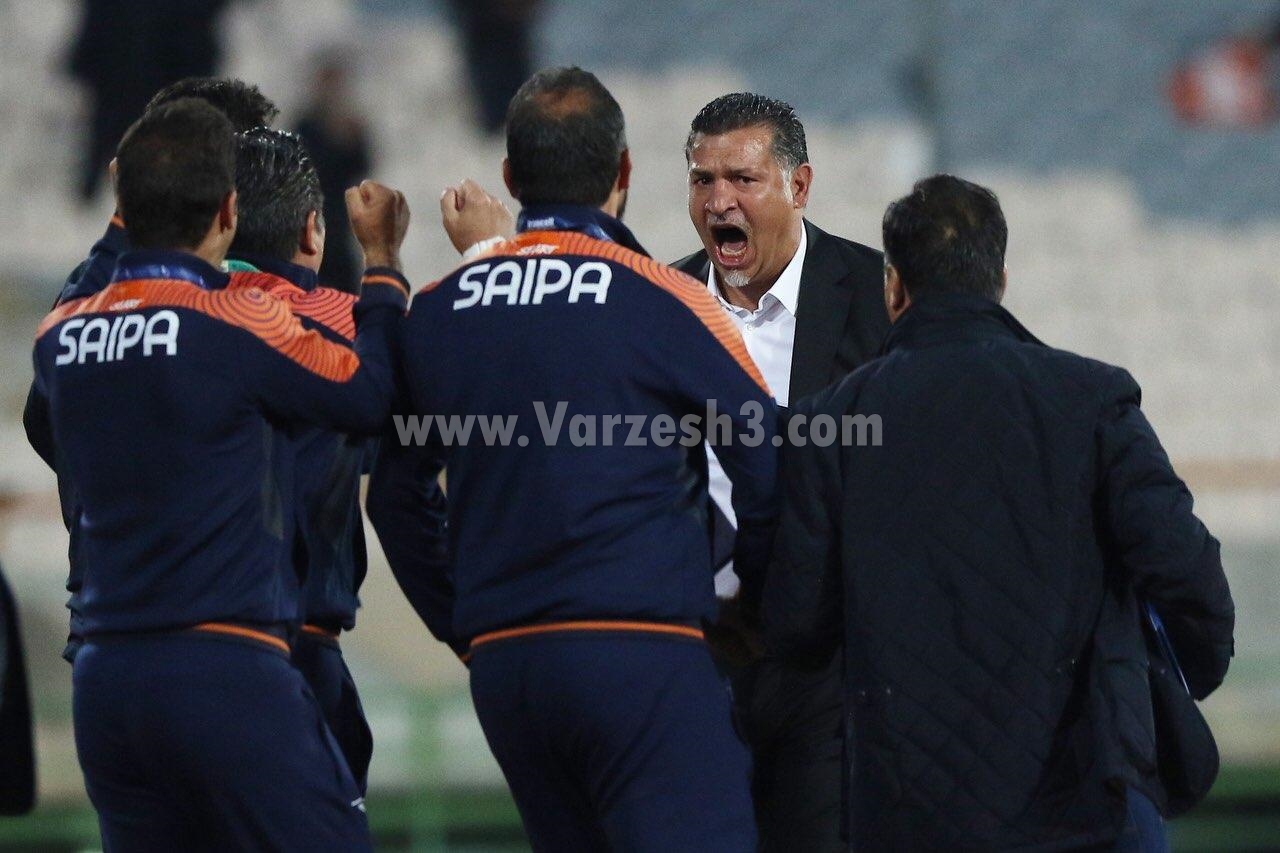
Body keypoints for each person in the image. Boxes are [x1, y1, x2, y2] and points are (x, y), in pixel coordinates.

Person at [366, 66, 776, 852]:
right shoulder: (668, 298)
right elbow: (767, 461)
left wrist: (466, 626)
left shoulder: (438, 310)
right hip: (640, 652)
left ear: (510, 176)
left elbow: (394, 497)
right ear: (624, 170)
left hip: (508, 669)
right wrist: (754, 604)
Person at [764, 174, 1235, 850]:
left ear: (893, 288)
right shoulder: (1093, 399)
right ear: (1000, 280)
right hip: (1087, 801)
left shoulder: (828, 424)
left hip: (908, 811)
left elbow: (797, 624)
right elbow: (1187, 570)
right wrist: (1191, 673)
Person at [27, 98, 409, 849]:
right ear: (229, 211)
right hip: (222, 661)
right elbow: (366, 395)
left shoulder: (59, 334)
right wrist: (383, 268)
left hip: (105, 676)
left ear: (123, 202)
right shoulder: (237, 320)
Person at [672, 93, 890, 852]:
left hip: (834, 661)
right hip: (690, 655)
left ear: (799, 186)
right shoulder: (657, 303)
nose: (719, 200)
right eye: (703, 180)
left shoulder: (882, 297)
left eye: (742, 178)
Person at [24, 77, 281, 666]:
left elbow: (47, 417)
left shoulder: (92, 291)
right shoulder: (236, 300)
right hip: (214, 617)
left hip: (112, 612)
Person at [223, 126, 375, 793]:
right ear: (313, 230)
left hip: (146, 652)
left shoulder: (155, 317)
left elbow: (45, 420)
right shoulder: (347, 323)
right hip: (298, 652)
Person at [295, 52, 374, 293]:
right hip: (309, 222)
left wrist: (352, 141)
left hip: (339, 225)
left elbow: (362, 167)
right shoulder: (306, 126)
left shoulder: (348, 127)